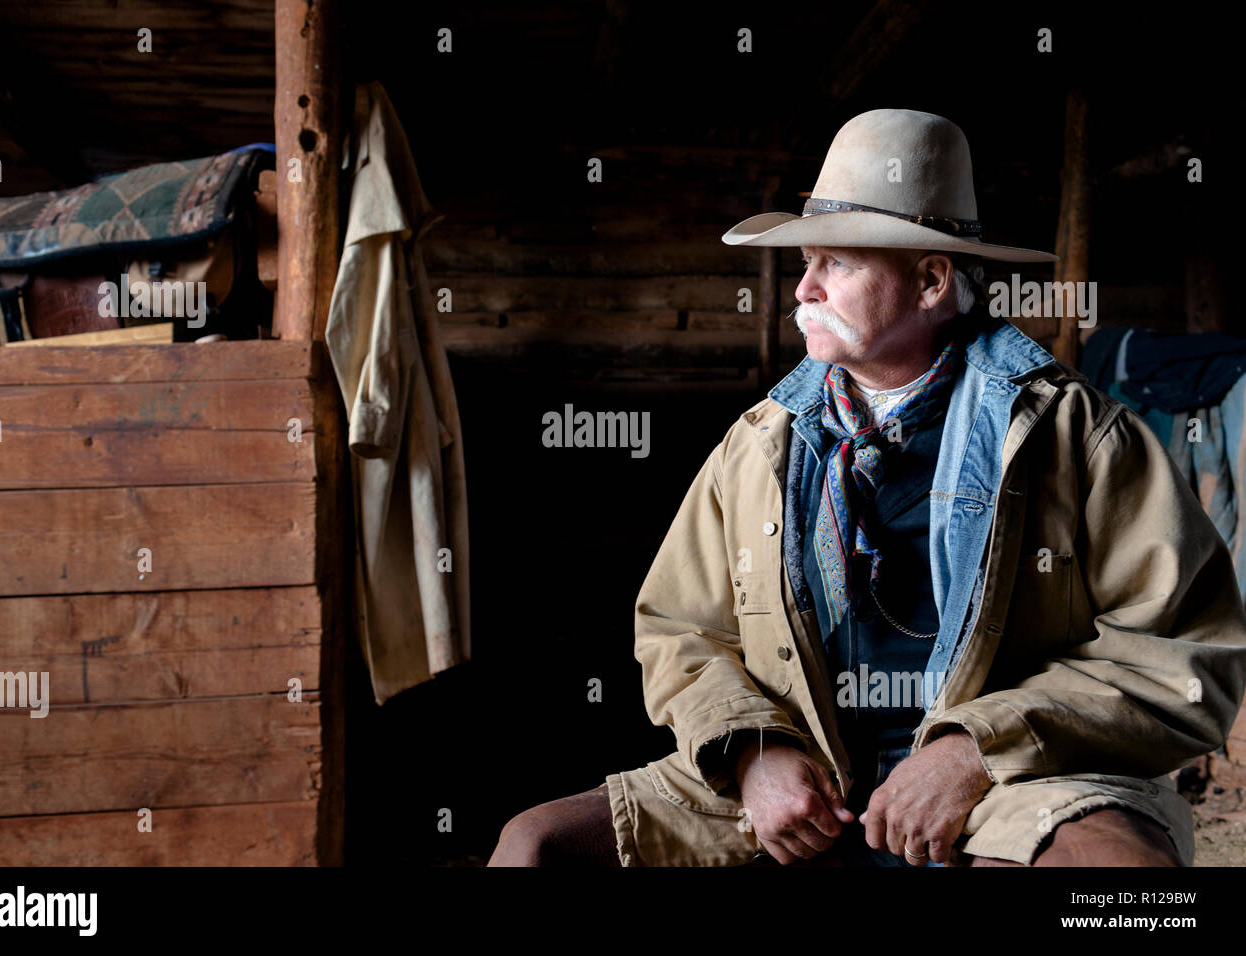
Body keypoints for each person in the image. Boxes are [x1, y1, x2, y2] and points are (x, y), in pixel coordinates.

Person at [487, 109, 1246, 867]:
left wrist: (973, 753)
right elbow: (679, 630)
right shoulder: (759, 444)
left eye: (837, 265)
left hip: (1014, 782)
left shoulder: (1072, 435)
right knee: (536, 846)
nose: (803, 289)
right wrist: (753, 751)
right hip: (802, 776)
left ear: (929, 279)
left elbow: (1183, 663)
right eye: (804, 263)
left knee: (1120, 879)